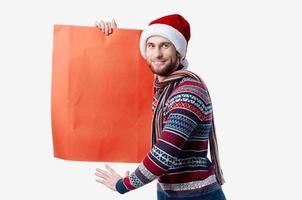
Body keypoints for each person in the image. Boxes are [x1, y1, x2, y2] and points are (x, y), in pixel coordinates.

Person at [94, 14, 226, 200]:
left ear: (179, 52)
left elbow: (163, 155)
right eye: (151, 45)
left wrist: (123, 184)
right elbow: (114, 78)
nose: (157, 54)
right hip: (169, 193)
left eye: (165, 45)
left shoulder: (188, 91)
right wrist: (110, 38)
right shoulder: (163, 88)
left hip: (197, 196)